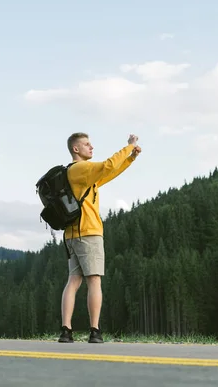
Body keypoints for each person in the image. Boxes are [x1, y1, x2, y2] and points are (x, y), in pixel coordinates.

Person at [58, 132, 141, 343]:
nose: (91, 147)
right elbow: (107, 165)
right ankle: (95, 330)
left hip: (72, 234)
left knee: (73, 281)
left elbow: (109, 173)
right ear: (76, 149)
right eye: (86, 144)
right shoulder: (82, 168)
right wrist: (129, 146)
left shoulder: (75, 173)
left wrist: (130, 158)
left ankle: (66, 330)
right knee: (94, 281)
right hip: (89, 233)